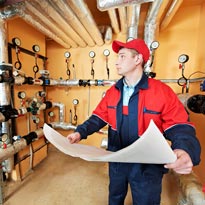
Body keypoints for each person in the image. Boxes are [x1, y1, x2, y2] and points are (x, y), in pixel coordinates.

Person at [67, 38, 201, 205]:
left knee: (146, 201)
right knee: (115, 198)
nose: (117, 62)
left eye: (122, 56)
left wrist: (184, 149)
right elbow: (98, 117)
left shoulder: (161, 91)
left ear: (138, 59)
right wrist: (80, 132)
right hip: (117, 158)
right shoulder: (113, 92)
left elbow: (180, 125)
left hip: (147, 164)